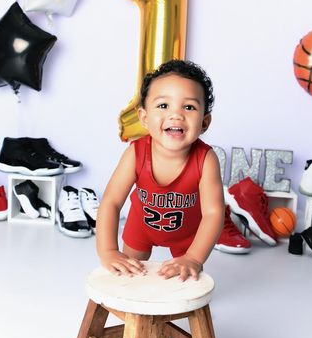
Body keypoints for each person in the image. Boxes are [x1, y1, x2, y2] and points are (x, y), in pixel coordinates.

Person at [96, 60, 225, 281]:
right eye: (164, 105)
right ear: (144, 118)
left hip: (187, 234)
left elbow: (213, 213)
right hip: (141, 226)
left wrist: (194, 257)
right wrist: (108, 251)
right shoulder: (136, 154)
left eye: (189, 107)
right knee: (130, 277)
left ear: (204, 123)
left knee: (186, 278)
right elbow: (111, 202)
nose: (176, 115)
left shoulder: (206, 159)